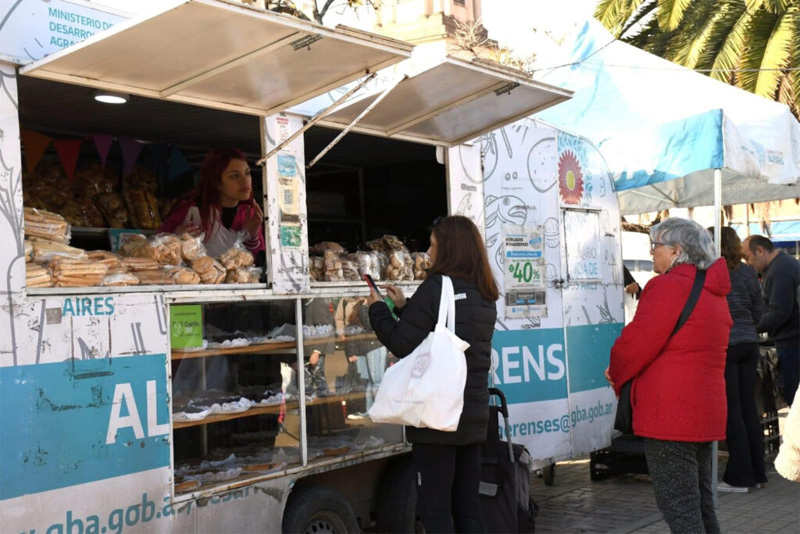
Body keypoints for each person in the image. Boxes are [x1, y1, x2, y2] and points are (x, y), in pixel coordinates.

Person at [368, 215, 498, 533]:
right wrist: (405, 307)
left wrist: (378, 309)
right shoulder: (485, 291)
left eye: (434, 245)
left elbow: (401, 342)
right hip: (472, 413)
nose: (429, 250)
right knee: (468, 506)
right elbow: (443, 329)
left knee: (435, 510)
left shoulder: (437, 287)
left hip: (438, 416)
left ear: (450, 250)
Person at [606, 217, 731, 534]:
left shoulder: (666, 287)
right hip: (704, 409)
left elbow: (634, 346)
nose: (651, 252)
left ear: (676, 251)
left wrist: (616, 374)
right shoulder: (712, 289)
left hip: (670, 413)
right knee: (699, 504)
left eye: (655, 246)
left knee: (679, 507)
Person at [711, 227, 767, 492]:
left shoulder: (712, 272)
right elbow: (759, 311)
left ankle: (739, 477)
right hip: (749, 343)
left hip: (726, 345)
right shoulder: (747, 271)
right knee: (748, 409)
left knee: (732, 411)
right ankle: (758, 474)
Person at [160, 147, 265, 260]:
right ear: (216, 182)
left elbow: (257, 261)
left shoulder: (250, 214)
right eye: (235, 176)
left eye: (247, 173)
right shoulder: (192, 210)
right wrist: (174, 239)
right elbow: (155, 248)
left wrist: (252, 237)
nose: (245, 180)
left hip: (239, 278)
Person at [742, 235, 800, 406]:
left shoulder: (780, 270)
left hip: (792, 342)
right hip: (791, 340)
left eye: (747, 257)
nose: (748, 263)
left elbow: (779, 312)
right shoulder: (783, 265)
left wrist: (751, 328)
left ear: (760, 251)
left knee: (794, 396)